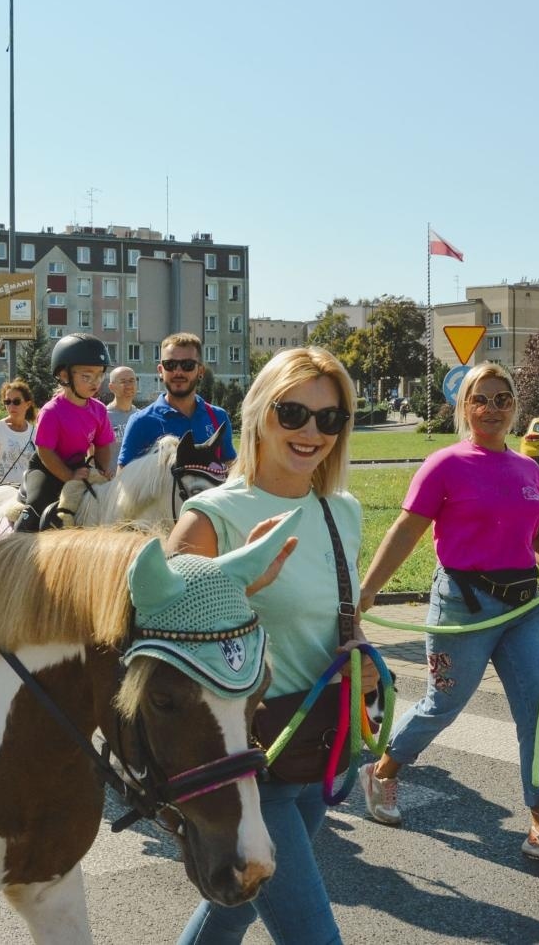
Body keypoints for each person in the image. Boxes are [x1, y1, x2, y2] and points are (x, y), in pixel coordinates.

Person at [357, 362, 539, 867]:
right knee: (443, 705)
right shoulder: (445, 464)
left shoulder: (528, 469)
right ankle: (382, 772)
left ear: (514, 407)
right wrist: (368, 591)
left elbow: (537, 531)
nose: (492, 408)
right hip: (464, 606)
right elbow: (406, 531)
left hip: (525, 607)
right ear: (463, 407)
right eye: (481, 399)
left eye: (502, 398)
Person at [167, 346, 364, 945]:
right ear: (259, 413)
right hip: (252, 761)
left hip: (321, 745)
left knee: (233, 911)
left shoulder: (342, 511)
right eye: (294, 413)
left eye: (330, 419)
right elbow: (160, 641)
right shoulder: (211, 515)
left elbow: (337, 611)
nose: (311, 432)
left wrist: (358, 648)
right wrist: (237, 589)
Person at [15, 334, 116, 533]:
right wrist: (69, 475)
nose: (96, 382)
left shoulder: (99, 410)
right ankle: (13, 545)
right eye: (87, 376)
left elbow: (104, 444)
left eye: (100, 375)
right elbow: (45, 452)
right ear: (64, 376)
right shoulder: (51, 411)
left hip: (79, 466)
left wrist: (103, 471)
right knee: (37, 504)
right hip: (47, 469)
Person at [118, 333, 236, 473]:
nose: (178, 372)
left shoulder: (218, 417)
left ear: (200, 371)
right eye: (170, 364)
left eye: (187, 365)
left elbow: (231, 467)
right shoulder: (141, 422)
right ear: (161, 371)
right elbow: (123, 482)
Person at [0, 379, 37, 488]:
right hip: (2, 493)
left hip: (27, 492)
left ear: (28, 404)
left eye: (16, 402)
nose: (11, 406)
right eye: (7, 402)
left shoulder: (35, 433)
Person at [104, 365, 138, 447]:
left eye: (131, 381)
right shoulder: (103, 417)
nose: (129, 386)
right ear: (111, 387)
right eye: (123, 382)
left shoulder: (140, 416)